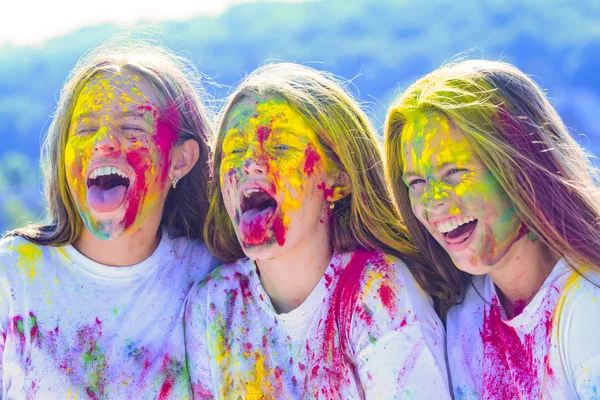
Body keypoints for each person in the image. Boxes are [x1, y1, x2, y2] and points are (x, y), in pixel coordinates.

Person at [185, 62, 451, 399]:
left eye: (281, 148)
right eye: (235, 150)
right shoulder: (214, 303)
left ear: (337, 179)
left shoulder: (376, 290)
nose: (250, 161)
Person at [0, 39, 219, 398]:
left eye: (132, 128)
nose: (104, 142)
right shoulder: (13, 274)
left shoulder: (210, 281)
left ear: (181, 160)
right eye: (85, 130)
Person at [384, 59, 600, 399]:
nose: (433, 201)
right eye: (416, 182)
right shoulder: (461, 315)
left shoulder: (589, 306)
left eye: (454, 171)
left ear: (521, 164)